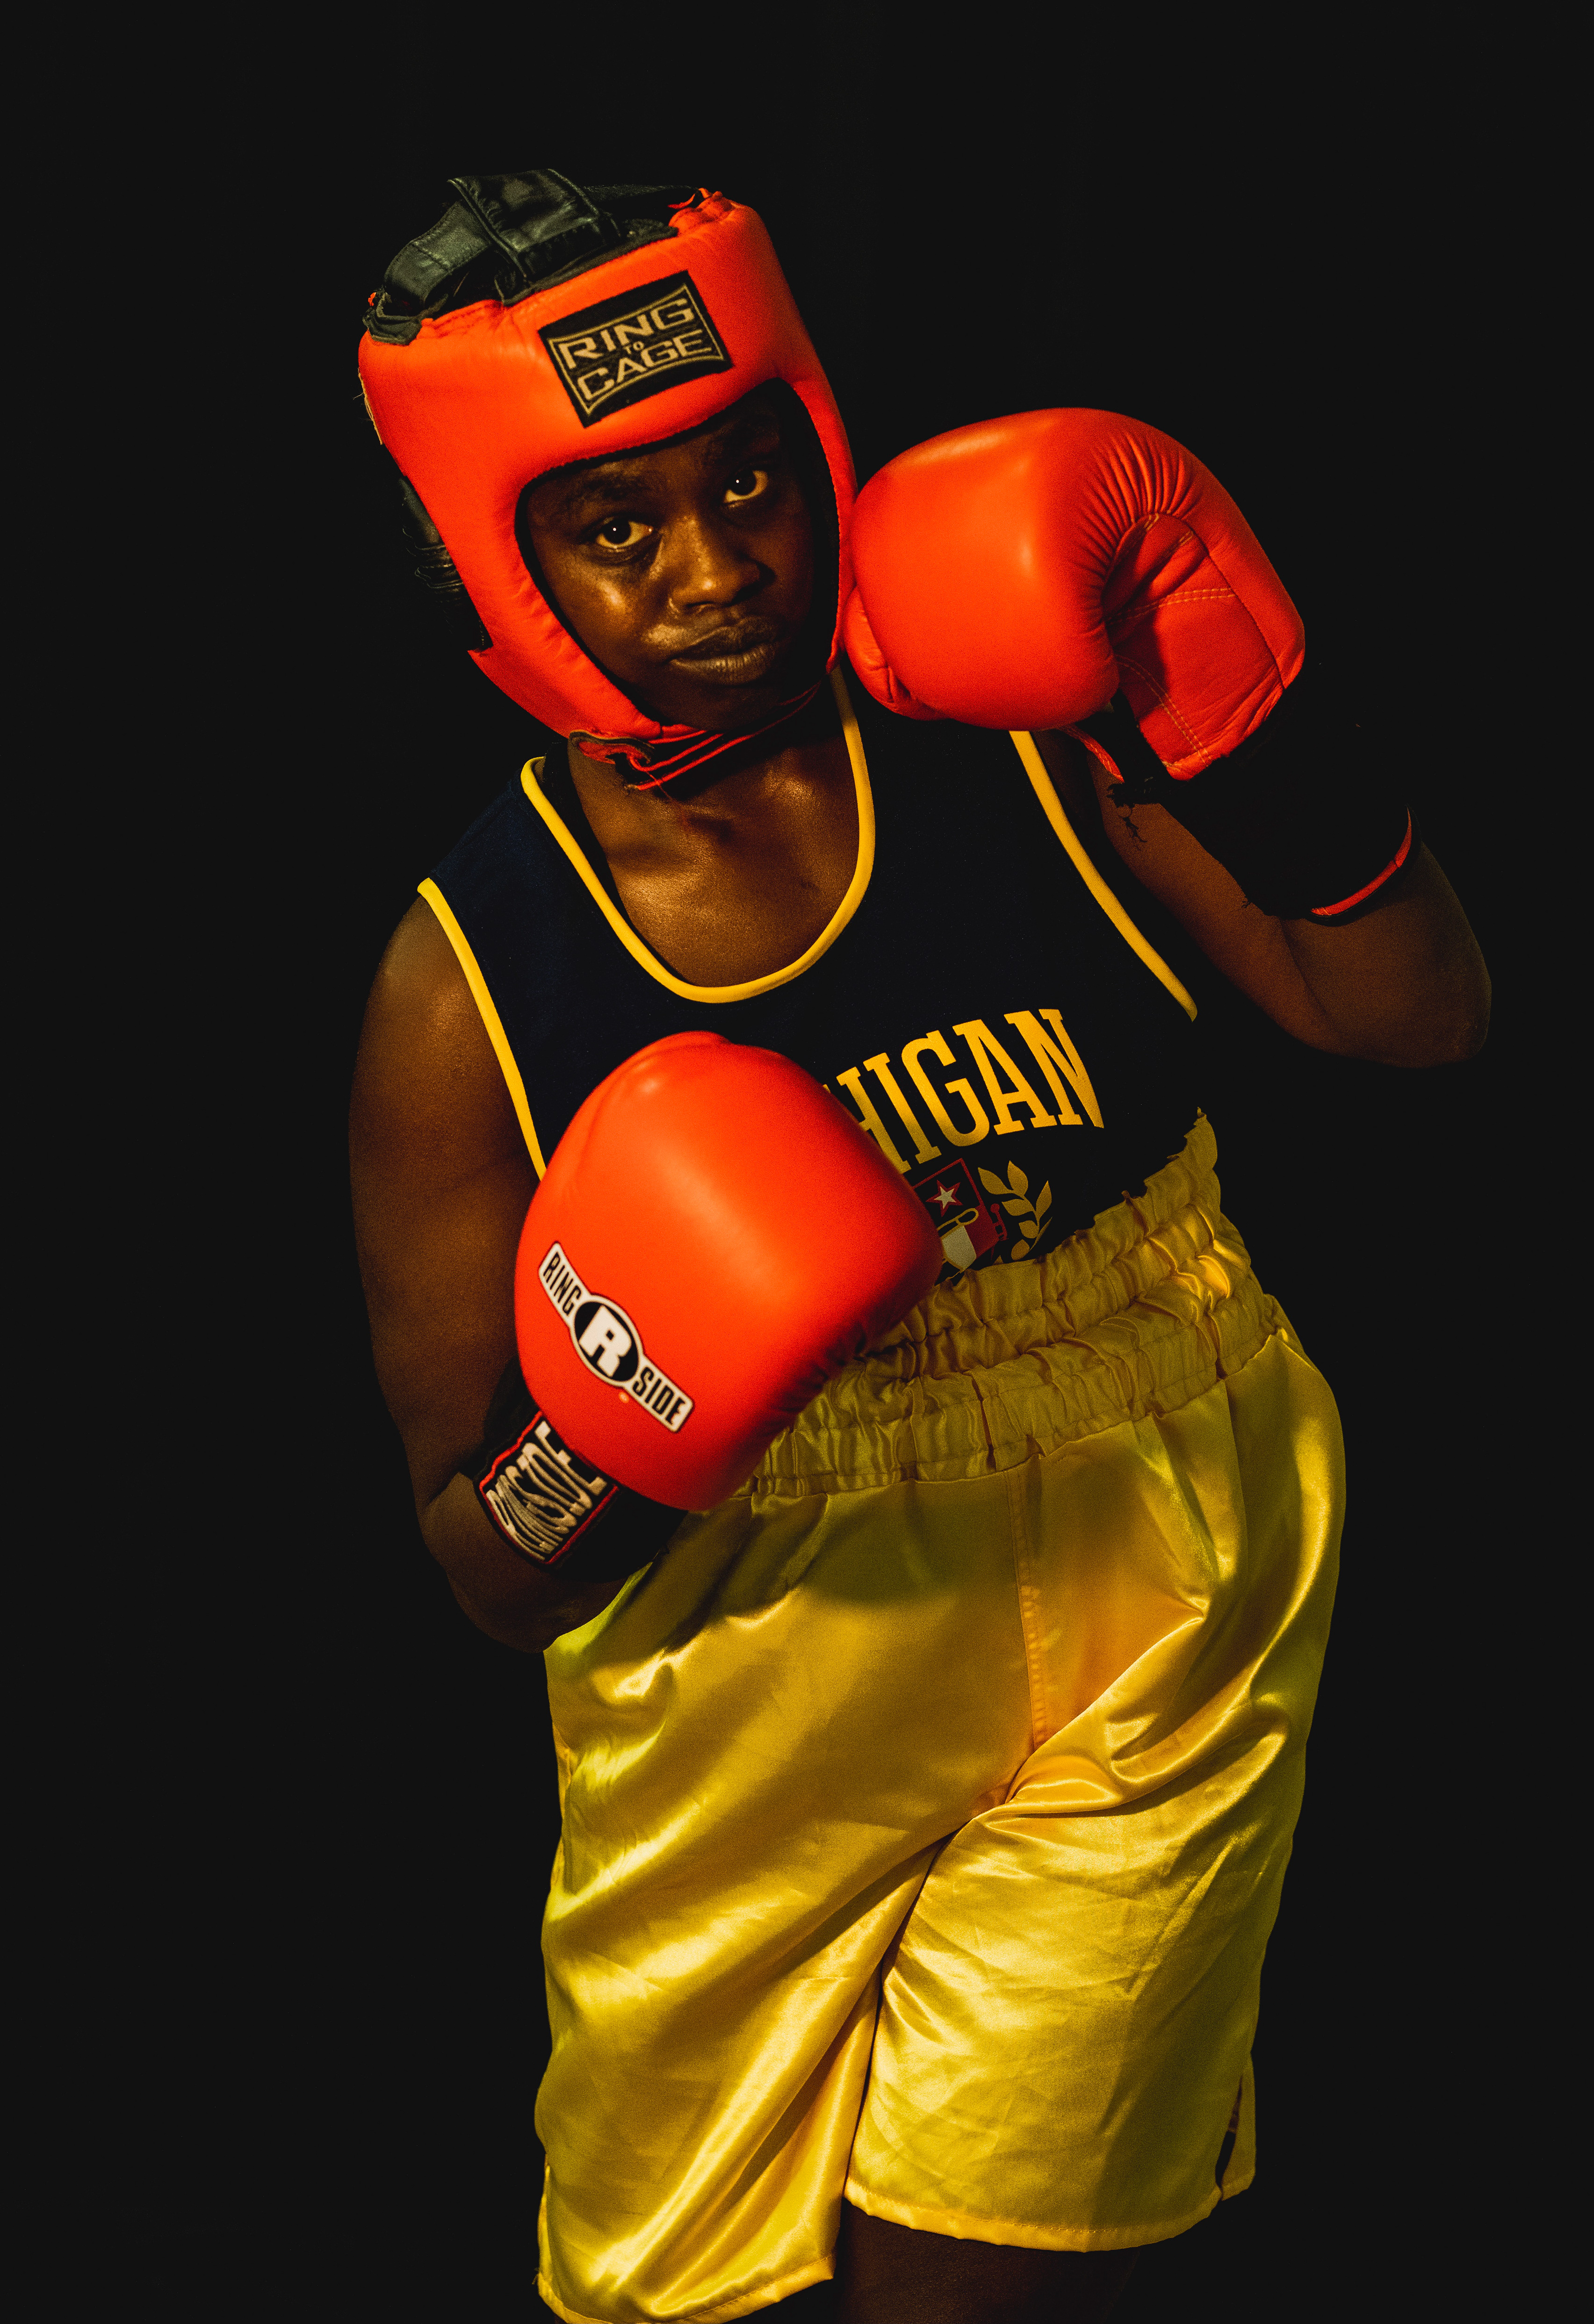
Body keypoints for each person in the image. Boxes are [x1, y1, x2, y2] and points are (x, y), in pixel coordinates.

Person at [350, 174, 1489, 2324]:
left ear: (820, 435)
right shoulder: (469, 982)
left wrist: (1228, 698)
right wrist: (642, 1398)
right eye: (615, 526)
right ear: (496, 566)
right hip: (747, 1688)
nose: (717, 568)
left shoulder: (1023, 742)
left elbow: (1415, 1013)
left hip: (1157, 1586)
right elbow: (487, 1566)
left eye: (749, 479)